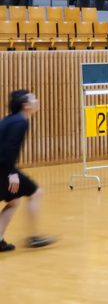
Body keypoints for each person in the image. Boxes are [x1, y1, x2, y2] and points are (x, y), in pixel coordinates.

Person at [0, 90, 56, 252]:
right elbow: (8, 150)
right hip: (3, 167)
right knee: (36, 193)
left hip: (3, 166)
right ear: (26, 105)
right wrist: (12, 173)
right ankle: (34, 238)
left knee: (14, 200)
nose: (36, 100)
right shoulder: (20, 122)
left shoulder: (10, 119)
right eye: (33, 98)